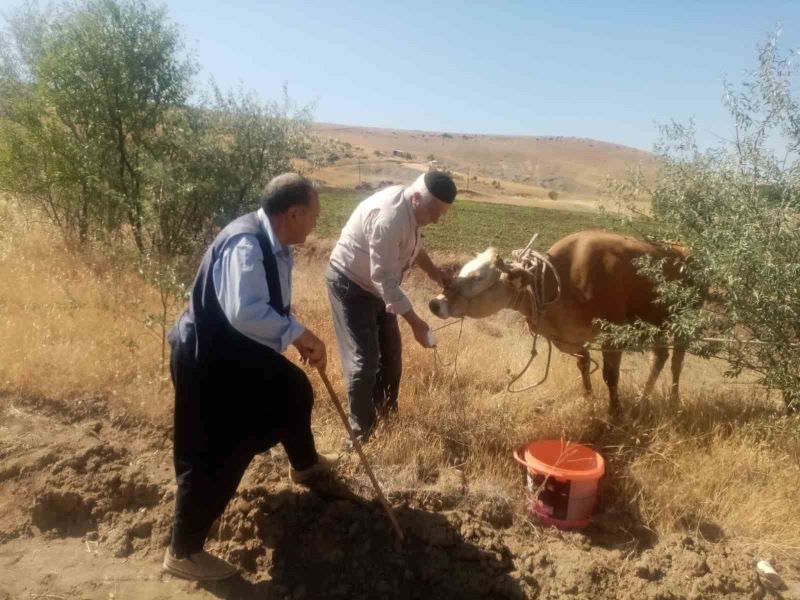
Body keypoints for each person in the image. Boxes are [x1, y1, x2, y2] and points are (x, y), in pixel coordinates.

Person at [163, 173, 337, 581]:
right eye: (313, 217)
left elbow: (265, 307)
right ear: (292, 214)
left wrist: (294, 335)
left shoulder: (271, 241)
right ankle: (182, 552)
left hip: (235, 353)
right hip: (209, 360)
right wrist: (298, 333)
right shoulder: (247, 244)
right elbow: (244, 312)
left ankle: (305, 465)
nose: (315, 225)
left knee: (293, 390)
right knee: (218, 452)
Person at [326, 171, 457, 443]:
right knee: (365, 362)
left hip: (377, 286)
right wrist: (416, 323)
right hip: (351, 284)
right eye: (435, 211)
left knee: (392, 359)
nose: (436, 219)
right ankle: (360, 434)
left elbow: (413, 247)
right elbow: (382, 277)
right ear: (418, 198)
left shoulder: (414, 210)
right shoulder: (389, 217)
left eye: (442, 214)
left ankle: (385, 417)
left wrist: (435, 274)